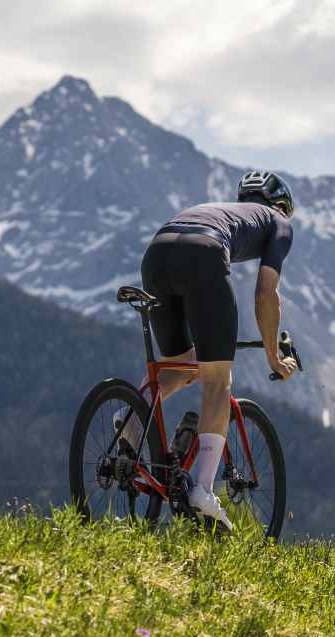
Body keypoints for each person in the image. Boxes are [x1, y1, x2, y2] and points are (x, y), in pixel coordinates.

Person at [117, 170, 297, 530]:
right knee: (218, 380)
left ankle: (132, 421)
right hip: (203, 255)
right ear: (280, 205)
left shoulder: (223, 210)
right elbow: (265, 294)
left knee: (180, 365)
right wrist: (274, 357)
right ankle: (202, 490)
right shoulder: (278, 222)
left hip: (157, 252)